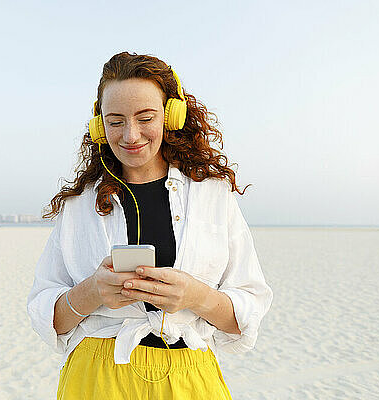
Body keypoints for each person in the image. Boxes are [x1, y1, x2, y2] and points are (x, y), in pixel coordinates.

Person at [27, 51, 273, 399]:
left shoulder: (213, 197)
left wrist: (197, 296)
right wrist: (92, 292)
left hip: (191, 378)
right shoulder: (77, 206)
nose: (130, 134)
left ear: (171, 117)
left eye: (145, 117)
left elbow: (245, 318)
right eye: (115, 121)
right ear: (99, 126)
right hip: (96, 377)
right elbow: (47, 319)